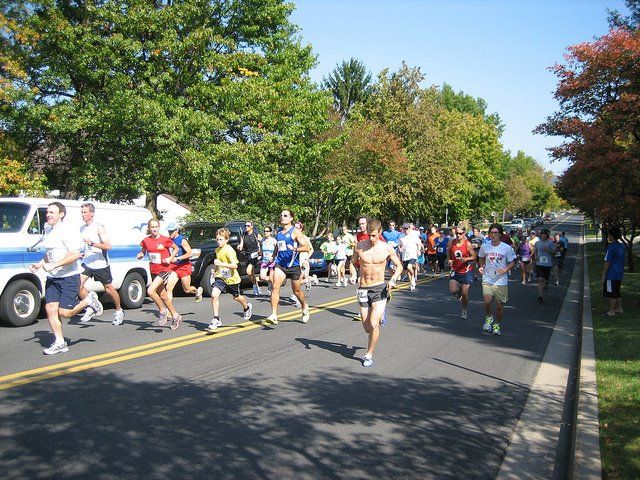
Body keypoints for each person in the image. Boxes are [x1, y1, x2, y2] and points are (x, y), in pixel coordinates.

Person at [29, 202, 104, 355]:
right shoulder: (48, 229)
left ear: (61, 214)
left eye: (52, 212)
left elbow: (76, 254)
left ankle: (89, 300)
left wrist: (55, 265)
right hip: (53, 278)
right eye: (48, 212)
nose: (48, 214)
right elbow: (50, 253)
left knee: (65, 313)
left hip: (68, 277)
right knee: (50, 309)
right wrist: (39, 264)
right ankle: (60, 342)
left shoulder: (67, 231)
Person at [352, 219, 402, 367]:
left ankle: (369, 354)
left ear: (380, 232)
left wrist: (393, 280)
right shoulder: (360, 247)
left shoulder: (387, 249)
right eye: (369, 235)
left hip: (379, 288)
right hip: (362, 288)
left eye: (374, 235)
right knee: (367, 328)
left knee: (374, 324)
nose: (371, 238)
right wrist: (354, 274)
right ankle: (379, 315)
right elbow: (352, 263)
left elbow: (399, 266)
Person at [78, 202, 125, 325]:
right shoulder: (82, 228)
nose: (82, 215)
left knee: (109, 289)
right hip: (88, 262)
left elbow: (108, 246)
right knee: (78, 285)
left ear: (91, 213)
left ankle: (119, 311)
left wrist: (93, 243)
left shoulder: (99, 227)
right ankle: (91, 305)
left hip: (100, 263)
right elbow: (83, 246)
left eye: (85, 212)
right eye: (81, 212)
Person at [264, 209, 311, 325]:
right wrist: (273, 256)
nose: (282, 217)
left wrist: (296, 249)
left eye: (285, 215)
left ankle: (304, 307)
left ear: (291, 218)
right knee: (275, 287)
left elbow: (306, 247)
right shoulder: (279, 232)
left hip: (293, 266)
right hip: (281, 265)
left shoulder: (295, 232)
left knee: (297, 291)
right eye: (281, 215)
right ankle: (274, 315)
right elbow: (278, 247)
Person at [136, 219, 182, 330]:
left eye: (156, 226)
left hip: (165, 269)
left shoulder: (165, 239)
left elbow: (176, 248)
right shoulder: (146, 241)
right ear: (149, 228)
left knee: (150, 291)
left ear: (159, 227)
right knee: (163, 296)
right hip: (154, 270)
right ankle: (175, 316)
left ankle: (162, 311)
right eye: (152, 227)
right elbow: (143, 251)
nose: (154, 229)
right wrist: (141, 254)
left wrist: (170, 258)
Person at [206, 228, 253, 331]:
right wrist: (215, 269)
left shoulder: (229, 250)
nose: (219, 242)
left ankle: (246, 307)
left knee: (236, 297)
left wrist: (221, 264)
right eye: (217, 239)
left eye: (221, 239)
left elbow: (234, 265)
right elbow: (218, 264)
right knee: (214, 295)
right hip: (221, 277)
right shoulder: (217, 250)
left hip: (232, 279)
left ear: (226, 240)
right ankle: (216, 318)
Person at [478, 223, 516, 335]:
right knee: (487, 301)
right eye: (491, 232)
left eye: (495, 233)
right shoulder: (485, 246)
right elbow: (481, 257)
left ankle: (497, 325)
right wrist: (481, 266)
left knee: (499, 306)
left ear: (500, 234)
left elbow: (513, 261)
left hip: (501, 280)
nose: (493, 235)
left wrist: (505, 270)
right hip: (488, 278)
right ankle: (489, 317)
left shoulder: (506, 248)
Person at [167, 222, 203, 305]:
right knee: (168, 288)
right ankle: (168, 312)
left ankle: (197, 291)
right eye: (169, 231)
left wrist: (178, 258)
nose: (170, 233)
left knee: (187, 289)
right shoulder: (169, 240)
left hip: (183, 266)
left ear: (176, 231)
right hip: (174, 267)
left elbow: (189, 253)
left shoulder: (182, 240)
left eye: (172, 231)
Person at [447, 226, 477, 319]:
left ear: (464, 233)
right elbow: (448, 253)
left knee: (465, 293)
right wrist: (449, 260)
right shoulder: (451, 242)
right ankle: (458, 292)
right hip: (455, 270)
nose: (458, 235)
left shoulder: (467, 244)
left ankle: (464, 310)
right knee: (452, 291)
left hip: (466, 271)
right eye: (456, 233)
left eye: (460, 233)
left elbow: (474, 256)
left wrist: (465, 259)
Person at [602, 226, 625, 316]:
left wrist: (603, 274)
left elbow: (607, 261)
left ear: (612, 236)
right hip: (619, 272)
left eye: (609, 235)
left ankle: (611, 311)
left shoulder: (611, 248)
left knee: (611, 293)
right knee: (617, 291)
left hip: (611, 274)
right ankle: (619, 308)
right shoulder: (621, 246)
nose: (608, 236)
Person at [531, 229, 557, 304]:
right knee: (540, 279)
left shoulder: (550, 242)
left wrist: (548, 250)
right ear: (540, 235)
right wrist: (535, 256)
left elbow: (554, 252)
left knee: (545, 280)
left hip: (547, 264)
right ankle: (541, 296)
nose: (543, 235)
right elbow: (535, 251)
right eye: (542, 234)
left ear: (547, 235)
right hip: (539, 263)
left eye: (545, 234)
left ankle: (546, 284)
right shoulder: (537, 243)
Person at [237, 221, 262, 296]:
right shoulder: (244, 235)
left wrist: (260, 252)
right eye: (245, 226)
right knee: (251, 274)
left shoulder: (255, 234)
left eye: (248, 226)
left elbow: (260, 243)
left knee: (248, 271)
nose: (246, 227)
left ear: (251, 226)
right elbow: (241, 245)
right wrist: (239, 247)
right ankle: (256, 286)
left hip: (254, 254)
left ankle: (255, 287)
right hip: (247, 255)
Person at [399, 223, 422, 290]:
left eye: (407, 229)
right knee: (407, 271)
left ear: (409, 229)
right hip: (405, 255)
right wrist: (400, 248)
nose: (405, 230)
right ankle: (412, 282)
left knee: (409, 267)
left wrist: (418, 250)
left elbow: (419, 243)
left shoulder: (414, 235)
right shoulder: (401, 236)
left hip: (412, 255)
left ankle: (413, 277)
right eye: (404, 229)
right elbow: (399, 245)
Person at [259, 226, 278, 292]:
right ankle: (271, 283)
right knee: (262, 277)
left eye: (267, 231)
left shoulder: (273, 240)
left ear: (270, 232)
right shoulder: (262, 240)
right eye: (264, 231)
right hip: (265, 261)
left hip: (272, 261)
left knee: (271, 276)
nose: (265, 232)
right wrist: (259, 255)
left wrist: (273, 256)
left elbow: (277, 250)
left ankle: (274, 290)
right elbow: (261, 251)